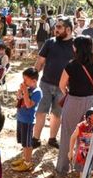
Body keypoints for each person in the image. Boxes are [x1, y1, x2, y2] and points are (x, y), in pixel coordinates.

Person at [57, 35, 93, 176]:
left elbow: (61, 85)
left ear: (77, 48)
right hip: (89, 102)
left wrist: (69, 93)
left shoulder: (71, 65)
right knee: (85, 136)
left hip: (72, 100)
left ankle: (63, 167)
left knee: (67, 134)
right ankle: (80, 168)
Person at [32, 17, 74, 149]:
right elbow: (40, 61)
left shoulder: (76, 46)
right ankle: (35, 138)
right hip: (45, 83)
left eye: (60, 27)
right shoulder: (50, 42)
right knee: (41, 111)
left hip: (64, 87)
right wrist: (32, 78)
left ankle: (52, 139)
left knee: (57, 113)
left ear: (68, 29)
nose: (56, 29)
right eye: (56, 26)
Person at [11, 68, 43, 172]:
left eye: (26, 80)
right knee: (23, 142)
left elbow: (29, 105)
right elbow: (19, 100)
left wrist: (24, 91)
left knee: (28, 143)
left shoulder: (37, 92)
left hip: (28, 121)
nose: (24, 82)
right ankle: (24, 158)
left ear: (34, 80)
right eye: (23, 79)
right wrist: (20, 93)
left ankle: (28, 163)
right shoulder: (28, 88)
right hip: (20, 118)